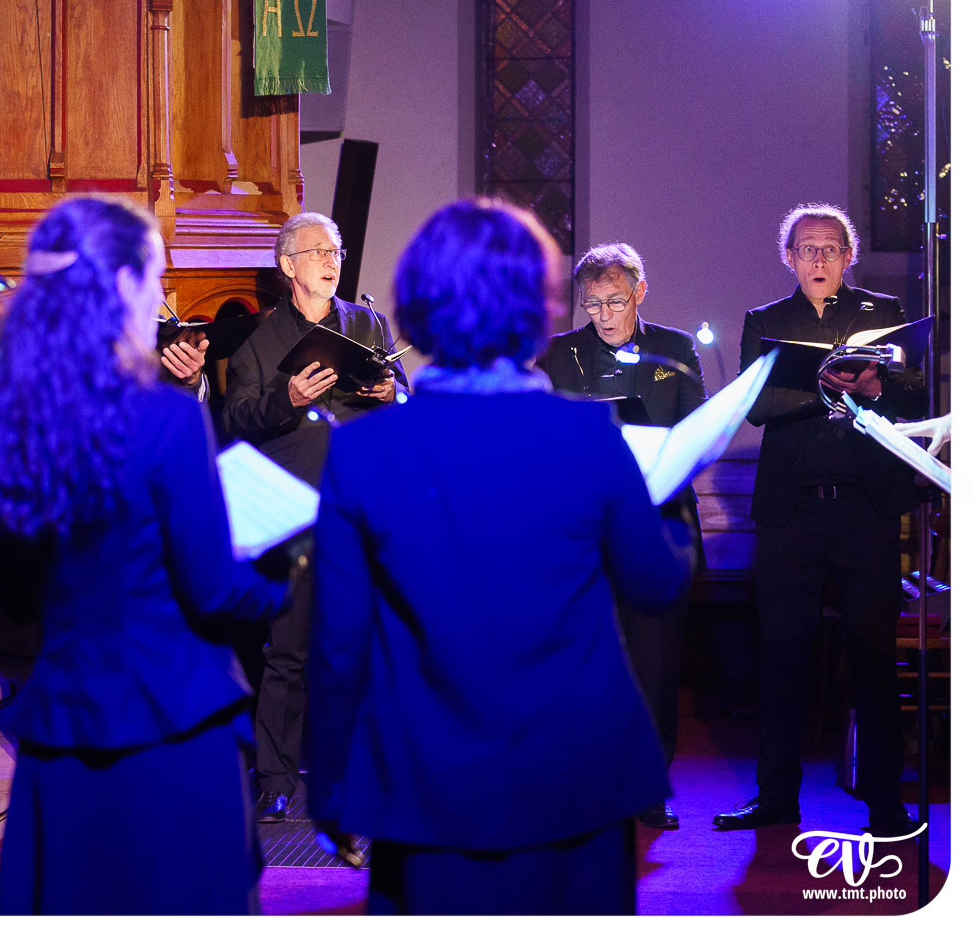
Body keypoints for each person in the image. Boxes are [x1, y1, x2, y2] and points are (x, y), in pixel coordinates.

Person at [308, 198, 692, 914]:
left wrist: (331, 785)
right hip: (576, 776)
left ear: (418, 305)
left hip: (427, 779)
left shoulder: (365, 449)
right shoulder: (586, 434)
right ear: (534, 307)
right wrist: (668, 492)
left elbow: (337, 645)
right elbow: (657, 580)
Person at [0, 196, 287, 914]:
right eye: (156, 278)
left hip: (61, 733)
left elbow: (11, 592)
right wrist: (286, 577)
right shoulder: (162, 415)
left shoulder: (8, 418)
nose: (162, 299)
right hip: (170, 728)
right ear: (123, 287)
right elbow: (214, 591)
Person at [712, 204, 926, 838]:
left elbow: (913, 393)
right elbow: (758, 405)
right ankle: (776, 796)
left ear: (848, 255)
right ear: (789, 258)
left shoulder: (883, 313)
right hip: (791, 513)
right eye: (806, 249)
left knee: (872, 657)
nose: (819, 260)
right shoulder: (766, 321)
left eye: (830, 248)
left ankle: (885, 802)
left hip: (866, 508)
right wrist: (833, 384)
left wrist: (878, 389)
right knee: (781, 657)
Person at [221, 210, 405, 822]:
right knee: (289, 652)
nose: (332, 261)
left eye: (337, 250)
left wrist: (390, 392)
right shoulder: (257, 342)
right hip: (295, 513)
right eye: (319, 251)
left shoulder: (368, 325)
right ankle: (275, 777)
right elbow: (237, 421)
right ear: (287, 266)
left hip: (359, 510)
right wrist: (288, 398)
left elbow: (404, 394)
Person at [541, 242, 705, 830]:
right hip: (583, 531)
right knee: (584, 657)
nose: (604, 315)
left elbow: (697, 438)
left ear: (639, 293)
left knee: (656, 664)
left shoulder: (675, 349)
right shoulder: (558, 355)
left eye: (614, 301)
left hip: (656, 523)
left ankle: (647, 784)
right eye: (592, 305)